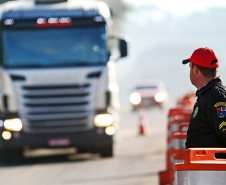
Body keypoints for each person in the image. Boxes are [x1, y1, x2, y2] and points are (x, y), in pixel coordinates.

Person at [182, 47, 226, 149]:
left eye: (190, 67)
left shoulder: (217, 97)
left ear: (196, 70)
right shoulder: (208, 95)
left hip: (213, 164)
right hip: (202, 164)